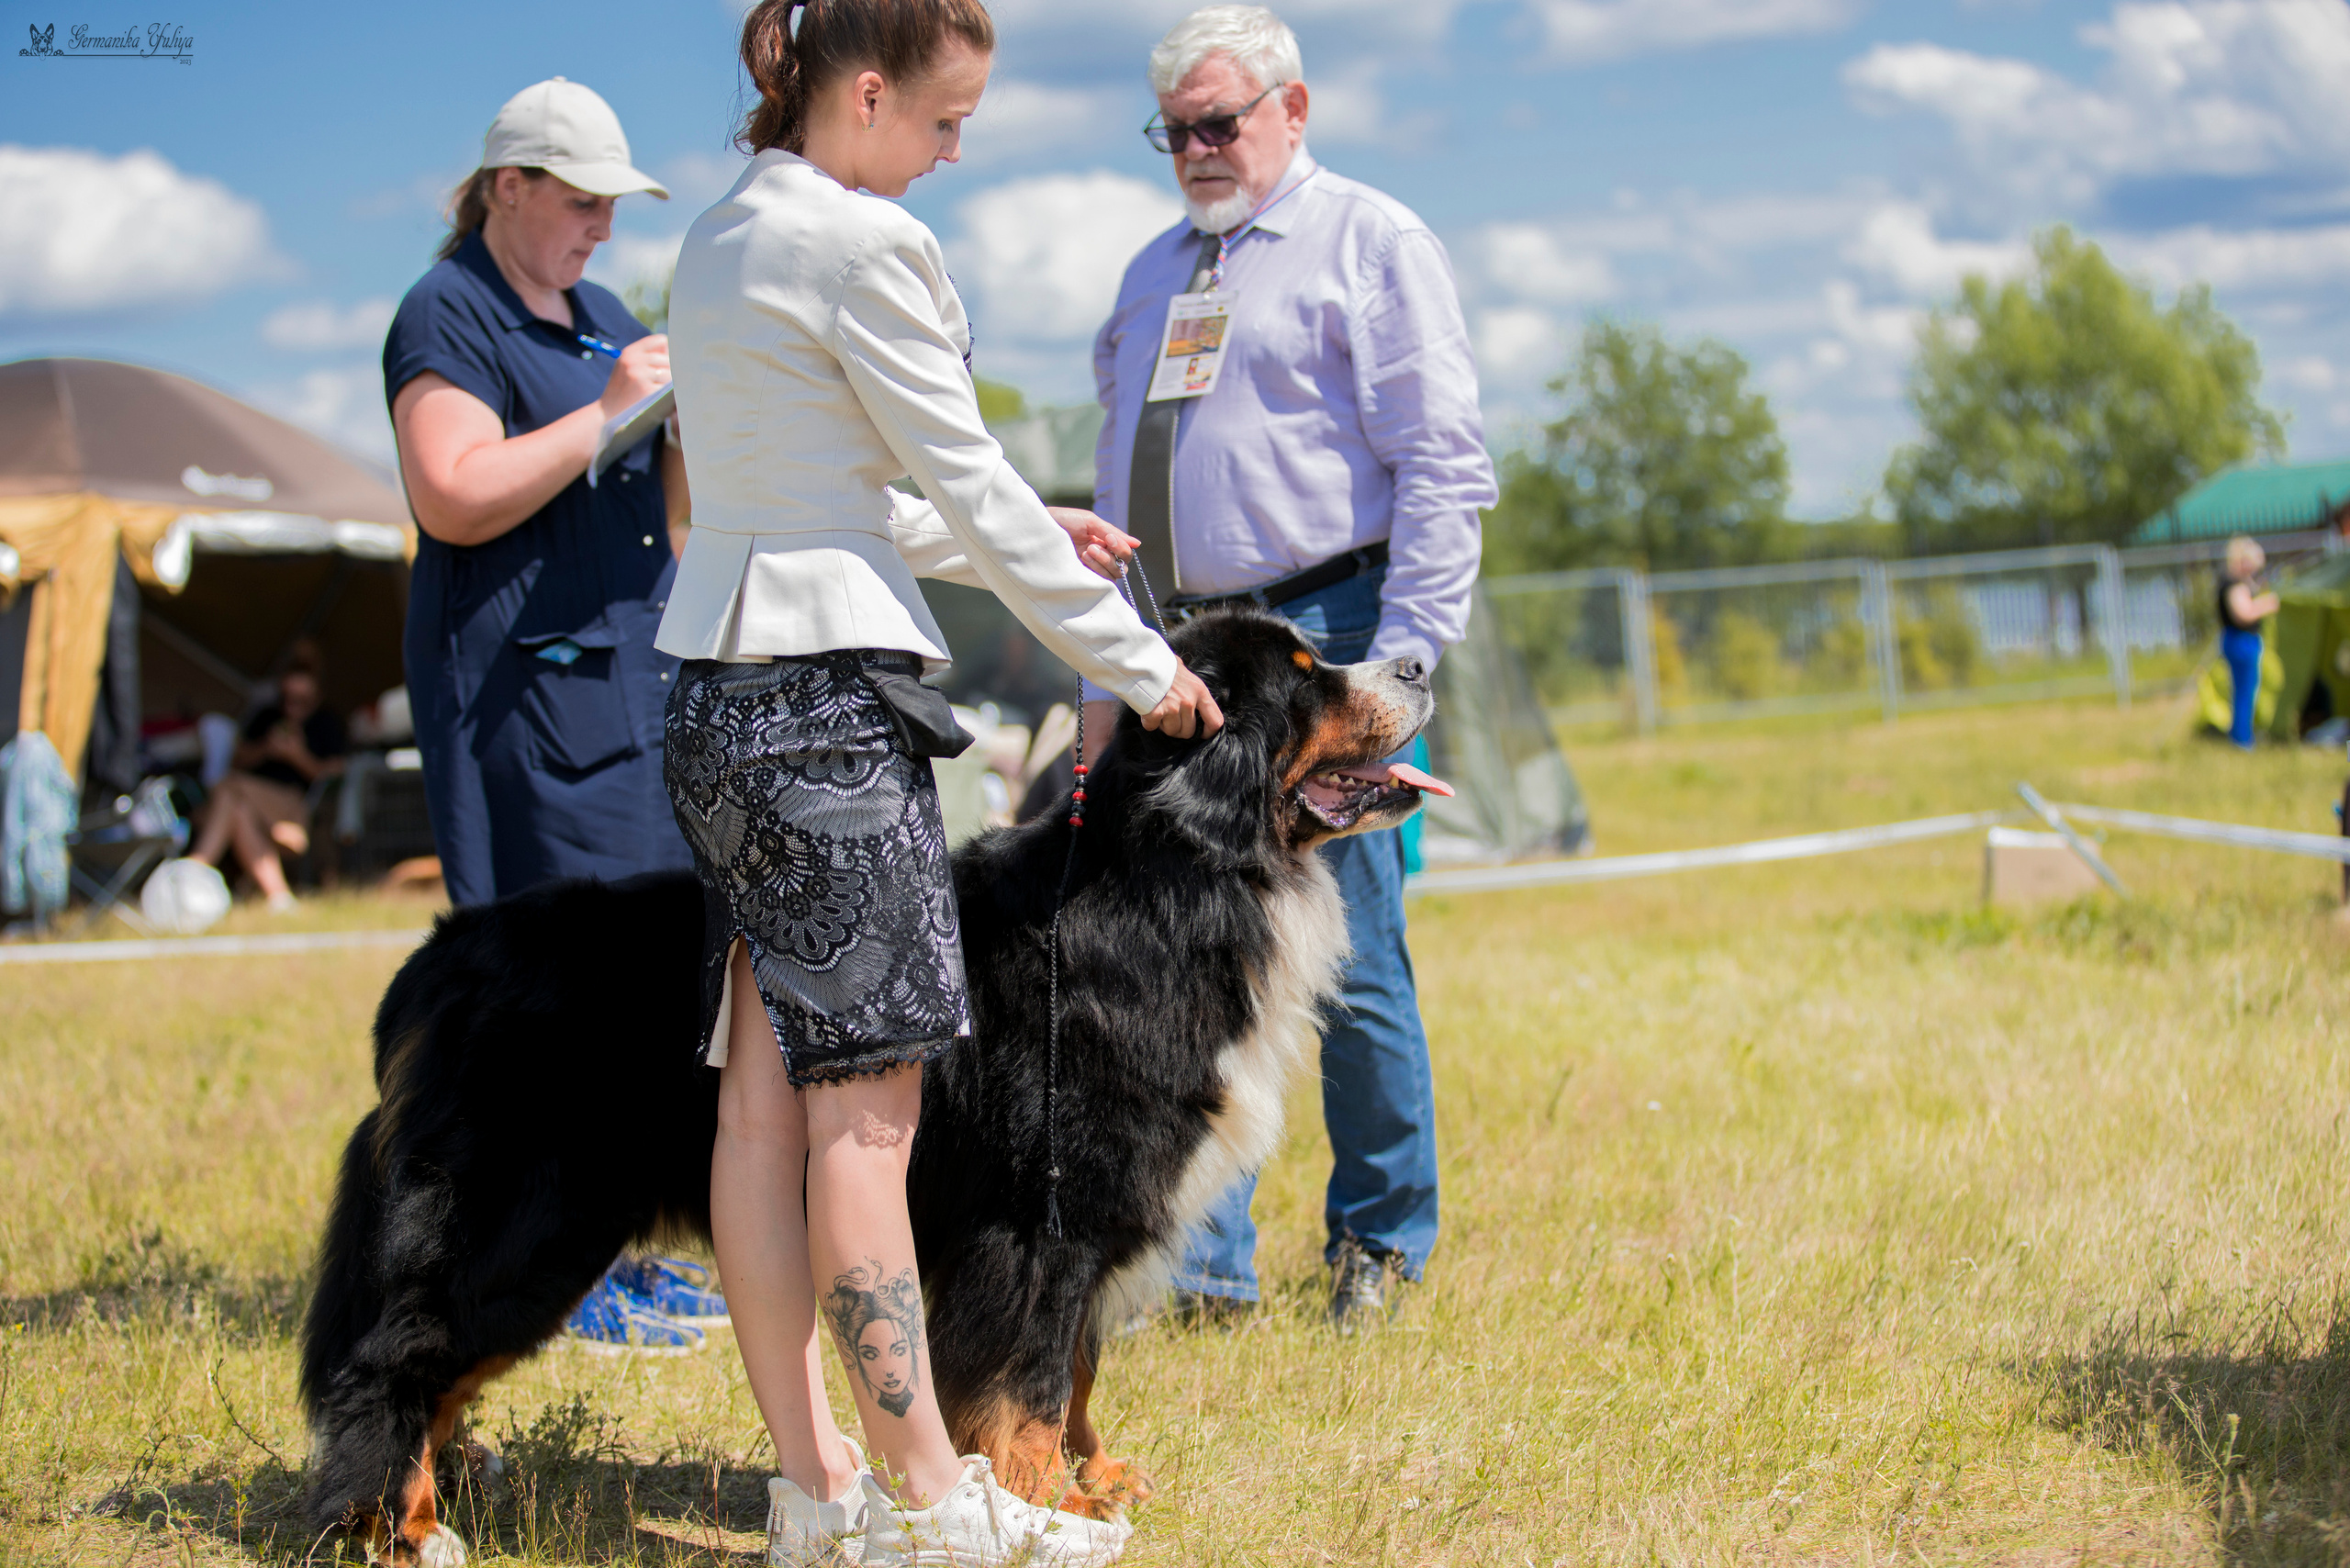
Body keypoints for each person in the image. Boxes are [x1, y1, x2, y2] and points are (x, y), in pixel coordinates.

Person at [656, 3, 1221, 1563]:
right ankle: (930, 1504)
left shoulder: (718, 235)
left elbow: (794, 499)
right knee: (868, 1125)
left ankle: (815, 1490)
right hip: (831, 715)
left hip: (718, 694)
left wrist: (1019, 524)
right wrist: (1135, 660)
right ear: (867, 89)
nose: (957, 150)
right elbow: (957, 474)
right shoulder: (866, 243)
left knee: (765, 1113)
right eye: (948, 119)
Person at [1084, 4, 1494, 1333]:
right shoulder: (1154, 272)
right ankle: (1207, 1263)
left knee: (1353, 952)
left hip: (1328, 640)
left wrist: (1403, 654)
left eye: (1224, 121)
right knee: (1192, 954)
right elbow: (1111, 478)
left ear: (1293, 110)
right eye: (1178, 130)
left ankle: (1379, 1245)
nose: (1200, 148)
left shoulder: (1368, 239)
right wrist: (1111, 662)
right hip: (1188, 654)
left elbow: (1442, 461)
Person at [381, 78, 711, 1350]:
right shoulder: (446, 310)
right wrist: (606, 411)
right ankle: (545, 1262)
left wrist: (686, 416)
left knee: (634, 992)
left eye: (614, 207)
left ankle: (610, 1250)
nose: (602, 230)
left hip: (629, 689)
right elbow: (452, 493)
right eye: (580, 202)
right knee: (549, 999)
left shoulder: (604, 313)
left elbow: (666, 511)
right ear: (505, 186)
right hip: (524, 705)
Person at [187, 658, 346, 912]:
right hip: (252, 797)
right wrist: (266, 748)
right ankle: (280, 898)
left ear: (315, 695)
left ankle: (196, 866)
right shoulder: (267, 717)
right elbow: (237, 759)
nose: (292, 706)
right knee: (238, 811)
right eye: (288, 699)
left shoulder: (327, 721)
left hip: (294, 804)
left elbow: (335, 773)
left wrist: (298, 756)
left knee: (228, 787)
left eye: (300, 700)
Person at [2220, 534, 2279, 749]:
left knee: (2243, 691)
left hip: (2240, 641)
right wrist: (2268, 604)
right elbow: (2243, 613)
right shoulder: (2234, 584)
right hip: (2241, 642)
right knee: (2245, 692)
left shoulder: (2240, 582)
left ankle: (2241, 736)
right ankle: (2242, 740)